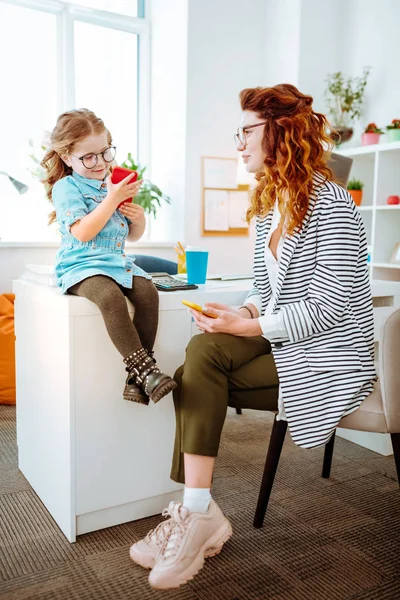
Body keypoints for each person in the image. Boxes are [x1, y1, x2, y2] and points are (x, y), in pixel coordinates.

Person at [129, 84, 377, 590]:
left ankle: (197, 515)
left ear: (280, 132)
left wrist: (249, 325)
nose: (238, 143)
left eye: (246, 131)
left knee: (192, 374)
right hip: (286, 339)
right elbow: (268, 291)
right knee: (204, 348)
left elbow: (329, 307)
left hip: (331, 355)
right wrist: (240, 310)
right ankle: (199, 514)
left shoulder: (332, 204)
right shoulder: (271, 204)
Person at [41, 109, 177, 405]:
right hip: (81, 267)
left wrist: (138, 218)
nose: (100, 162)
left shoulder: (111, 185)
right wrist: (112, 198)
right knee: (109, 297)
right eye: (89, 157)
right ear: (67, 158)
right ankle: (147, 371)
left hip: (115, 263)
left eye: (105, 152)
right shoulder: (67, 187)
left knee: (147, 293)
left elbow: (131, 235)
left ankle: (136, 379)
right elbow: (83, 233)